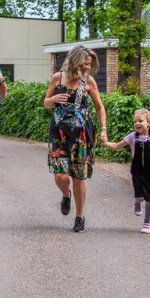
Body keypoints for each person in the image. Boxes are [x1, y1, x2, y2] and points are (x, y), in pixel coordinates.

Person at [45, 45, 106, 232]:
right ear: (74, 61)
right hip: (59, 133)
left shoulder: (89, 82)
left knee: (79, 176)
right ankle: (66, 194)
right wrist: (54, 99)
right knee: (60, 175)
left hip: (81, 135)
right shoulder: (58, 78)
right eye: (85, 64)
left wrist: (103, 129)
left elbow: (99, 107)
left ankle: (79, 217)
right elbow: (46, 103)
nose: (88, 67)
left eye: (89, 64)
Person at [102, 107, 150, 234]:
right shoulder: (132, 137)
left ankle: (146, 223)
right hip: (137, 171)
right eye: (135, 121)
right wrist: (106, 144)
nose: (137, 123)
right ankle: (137, 202)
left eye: (140, 121)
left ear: (149, 123)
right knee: (139, 196)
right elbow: (117, 146)